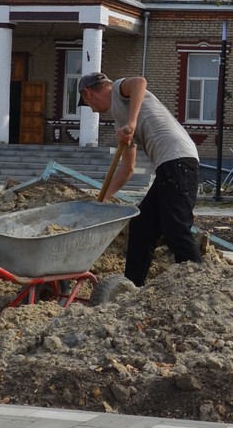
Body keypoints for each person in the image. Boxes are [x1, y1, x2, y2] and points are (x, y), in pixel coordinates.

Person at [78, 71, 202, 285]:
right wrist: (102, 200)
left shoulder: (118, 89)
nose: (91, 109)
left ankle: (200, 284)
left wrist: (132, 122)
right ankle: (132, 287)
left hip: (179, 160)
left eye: (87, 104)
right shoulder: (120, 121)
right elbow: (127, 168)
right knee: (142, 226)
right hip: (167, 166)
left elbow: (140, 82)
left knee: (175, 228)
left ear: (88, 93)